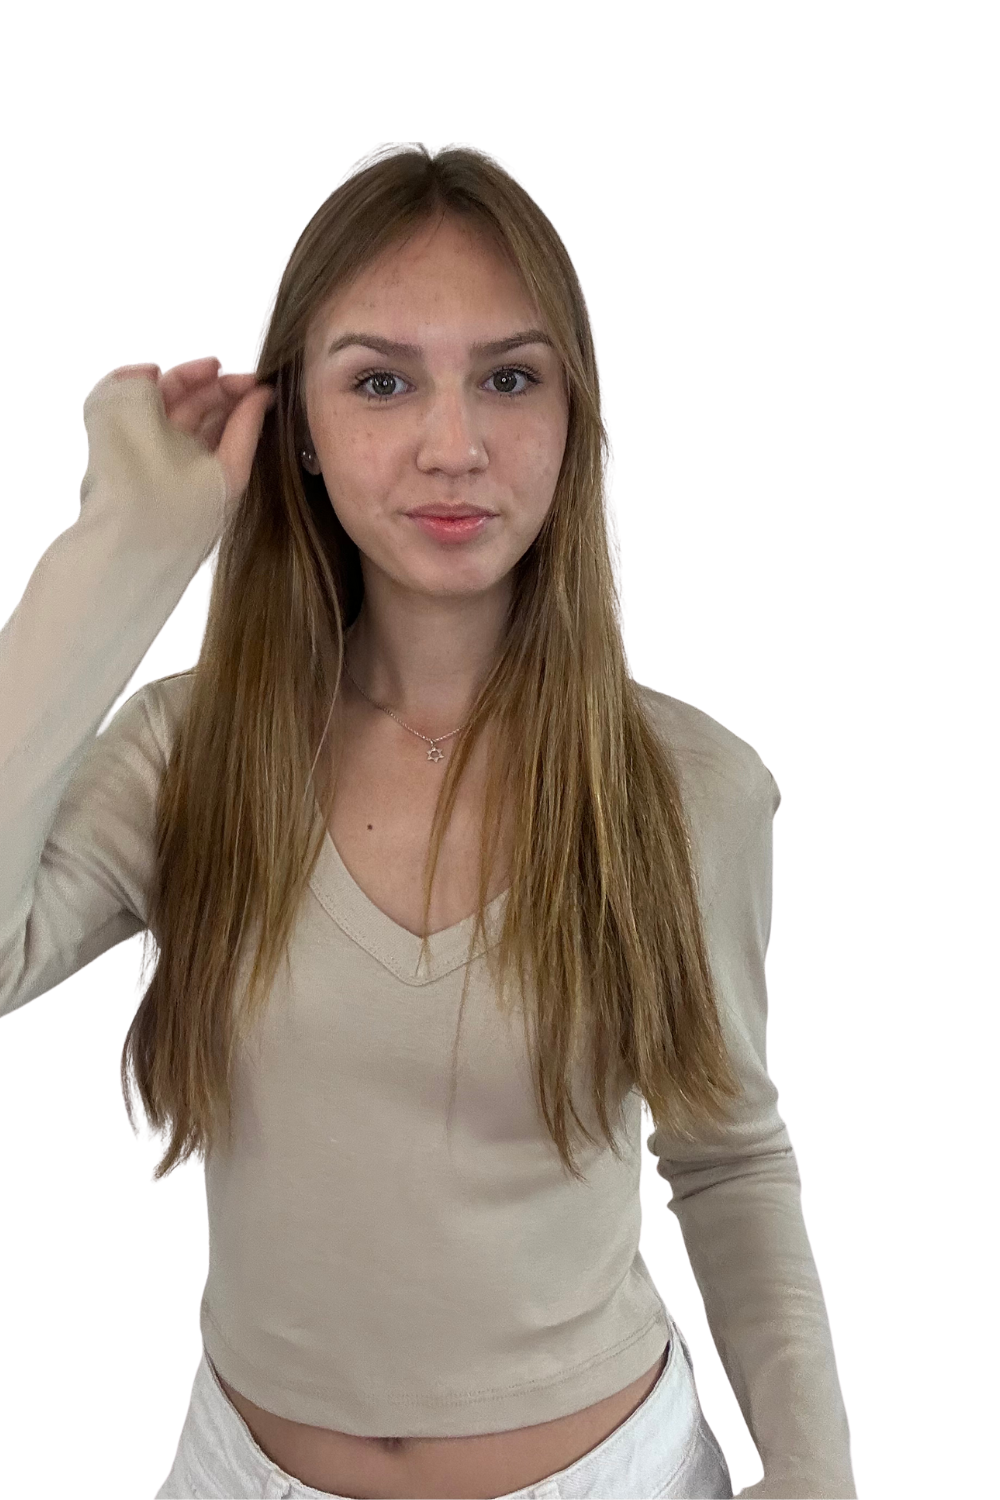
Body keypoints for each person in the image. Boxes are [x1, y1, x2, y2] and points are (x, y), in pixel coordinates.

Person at [0, 143, 856, 1500]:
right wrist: (125, 547)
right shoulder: (192, 754)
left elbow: (729, 1157)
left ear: (574, 416)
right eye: (381, 382)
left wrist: (816, 1473)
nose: (452, 447)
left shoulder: (687, 785)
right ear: (299, 424)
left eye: (509, 379)